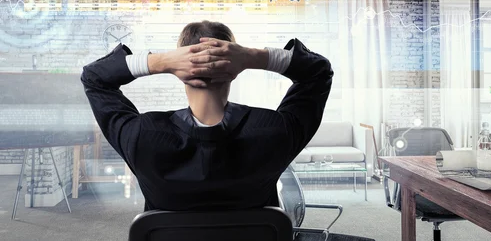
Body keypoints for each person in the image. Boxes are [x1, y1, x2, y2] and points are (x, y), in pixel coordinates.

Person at [80, 20, 333, 211]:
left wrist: (161, 61)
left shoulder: (142, 135)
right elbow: (318, 72)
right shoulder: (275, 132)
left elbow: (95, 78)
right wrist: (252, 56)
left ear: (180, 64)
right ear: (234, 68)